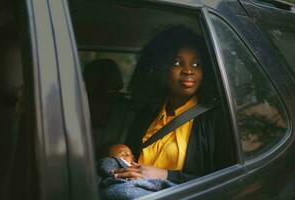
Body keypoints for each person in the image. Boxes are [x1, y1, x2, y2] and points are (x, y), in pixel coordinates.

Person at [113, 25, 236, 184]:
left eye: (196, 64)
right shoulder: (147, 114)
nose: (188, 71)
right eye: (177, 63)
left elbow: (227, 182)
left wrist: (165, 175)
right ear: (161, 68)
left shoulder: (217, 118)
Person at [97, 144, 175, 200]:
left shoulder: (138, 167)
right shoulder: (113, 160)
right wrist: (112, 171)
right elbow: (105, 165)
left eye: (130, 155)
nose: (130, 156)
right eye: (123, 154)